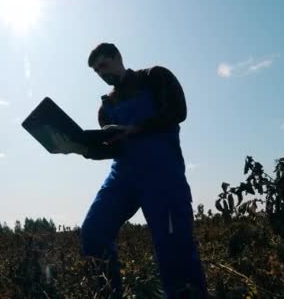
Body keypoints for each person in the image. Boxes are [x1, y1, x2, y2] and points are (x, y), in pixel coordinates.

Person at [50, 43, 208, 298]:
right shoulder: (105, 108)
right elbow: (112, 150)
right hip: (122, 177)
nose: (101, 73)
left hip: (162, 175)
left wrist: (134, 129)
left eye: (103, 65)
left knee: (174, 251)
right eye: (96, 71)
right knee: (93, 233)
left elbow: (178, 112)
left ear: (117, 57)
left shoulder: (155, 77)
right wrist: (76, 148)